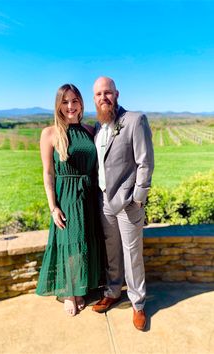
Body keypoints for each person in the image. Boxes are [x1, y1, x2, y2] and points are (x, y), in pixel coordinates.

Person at [92, 77, 154, 330]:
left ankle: (138, 304)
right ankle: (113, 291)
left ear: (116, 94)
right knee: (112, 250)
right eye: (98, 94)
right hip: (104, 200)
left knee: (132, 255)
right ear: (94, 99)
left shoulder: (134, 120)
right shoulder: (98, 126)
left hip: (129, 202)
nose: (103, 97)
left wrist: (139, 198)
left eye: (107, 92)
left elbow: (145, 162)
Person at [36, 84, 100, 316]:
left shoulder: (90, 130)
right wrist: (53, 207)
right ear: (58, 105)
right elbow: (48, 173)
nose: (70, 106)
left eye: (74, 101)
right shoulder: (50, 133)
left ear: (81, 103)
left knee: (85, 241)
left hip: (89, 194)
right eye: (65, 102)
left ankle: (80, 286)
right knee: (69, 243)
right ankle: (69, 293)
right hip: (66, 195)